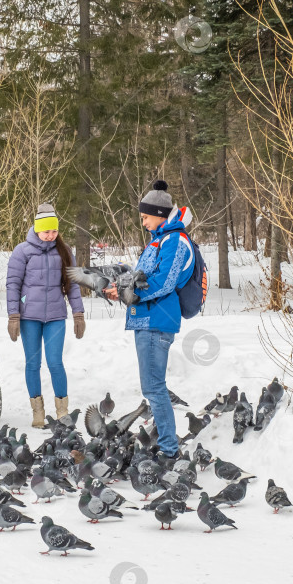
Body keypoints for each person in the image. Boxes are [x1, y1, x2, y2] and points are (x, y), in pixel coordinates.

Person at [103, 180, 194, 459]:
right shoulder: (158, 241)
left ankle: (169, 450)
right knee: (153, 386)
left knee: (153, 387)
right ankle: (164, 442)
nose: (142, 221)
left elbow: (164, 282)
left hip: (157, 322)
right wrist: (119, 287)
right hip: (146, 320)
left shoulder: (175, 241)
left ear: (158, 213)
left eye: (144, 216)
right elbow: (141, 279)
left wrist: (129, 294)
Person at [6, 203, 85, 429]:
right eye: (46, 231)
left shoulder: (64, 251)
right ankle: (38, 412)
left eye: (54, 231)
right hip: (29, 317)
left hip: (55, 317)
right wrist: (13, 315)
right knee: (32, 363)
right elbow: (13, 284)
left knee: (55, 362)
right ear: (36, 228)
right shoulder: (22, 251)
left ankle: (62, 411)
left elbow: (73, 285)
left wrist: (78, 313)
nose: (51, 236)